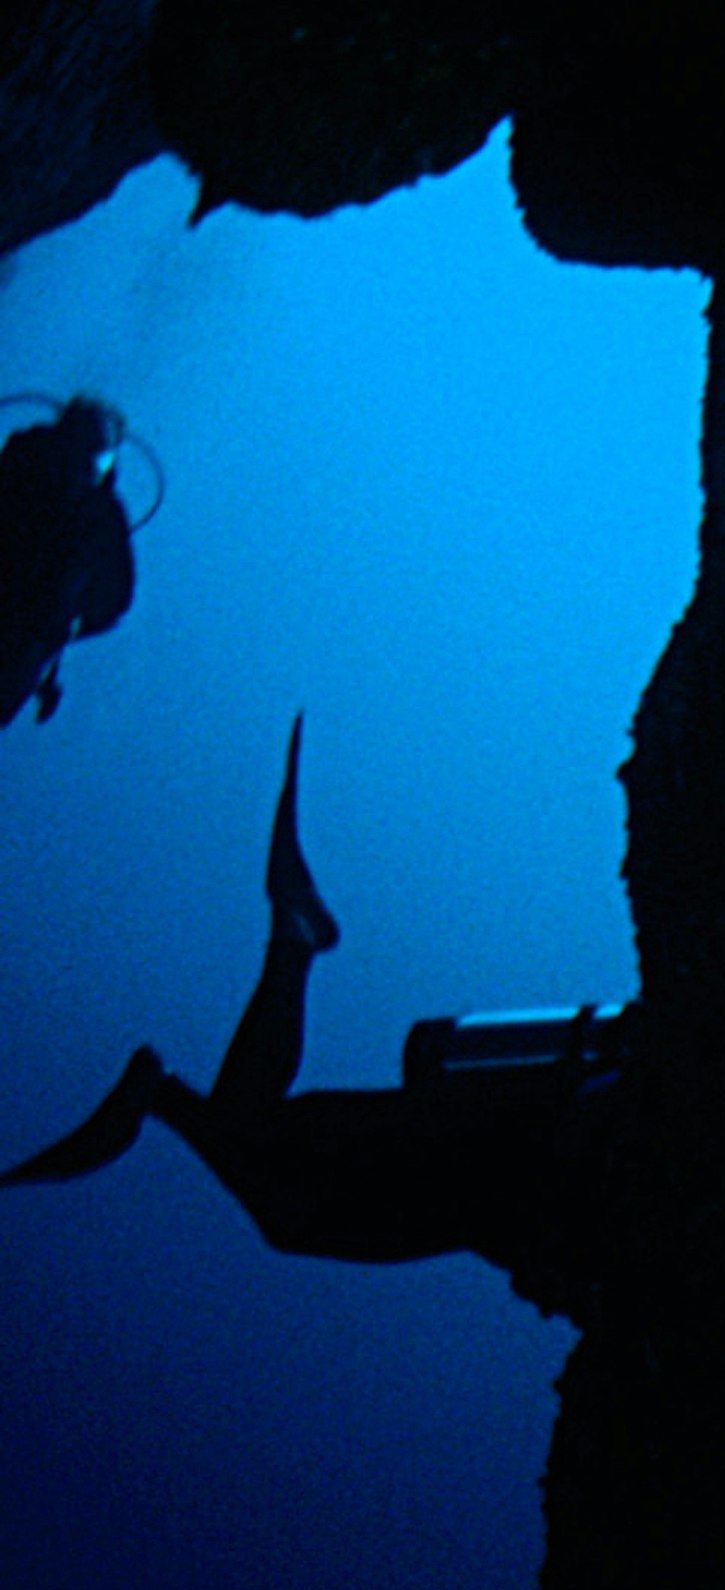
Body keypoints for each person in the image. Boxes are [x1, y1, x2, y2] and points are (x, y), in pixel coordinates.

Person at [2, 718, 623, 1305]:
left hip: (495, 1156)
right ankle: (248, 990)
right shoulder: (654, 1130)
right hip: (500, 1146)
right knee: (280, 1190)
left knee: (274, 1175)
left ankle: (282, 953)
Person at [0, 396, 137, 723]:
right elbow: (114, 600)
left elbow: (114, 599)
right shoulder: (101, 511)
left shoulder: (17, 465)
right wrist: (67, 626)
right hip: (23, 645)